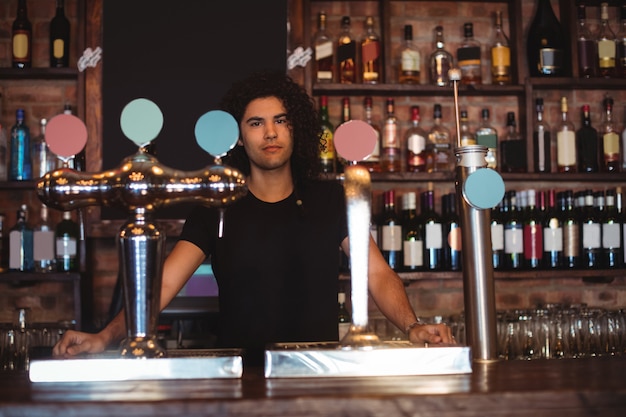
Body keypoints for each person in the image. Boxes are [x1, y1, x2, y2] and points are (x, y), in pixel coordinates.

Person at [53, 70, 455, 366]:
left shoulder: (330, 199)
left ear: (296, 129)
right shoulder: (216, 207)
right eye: (256, 123)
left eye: (280, 120)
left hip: (319, 369)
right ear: (239, 138)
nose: (270, 133)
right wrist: (105, 336)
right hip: (242, 375)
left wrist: (412, 326)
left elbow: (378, 274)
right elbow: (162, 287)